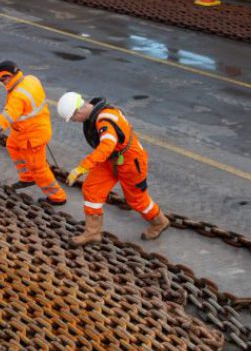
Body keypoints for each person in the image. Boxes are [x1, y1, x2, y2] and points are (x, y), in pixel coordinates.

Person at [57, 92, 170, 244]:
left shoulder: (105, 121)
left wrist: (82, 168)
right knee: (92, 189)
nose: (74, 121)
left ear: (79, 111)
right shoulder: (95, 115)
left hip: (130, 163)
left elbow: (106, 147)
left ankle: (159, 222)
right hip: (111, 161)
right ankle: (92, 233)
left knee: (136, 199)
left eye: (73, 118)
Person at [0, 61, 66, 206]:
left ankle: (58, 197)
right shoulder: (31, 79)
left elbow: (7, 117)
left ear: (9, 76)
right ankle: (27, 177)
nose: (1, 82)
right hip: (26, 129)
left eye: (2, 79)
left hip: (32, 135)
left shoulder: (18, 95)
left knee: (39, 168)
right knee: (12, 145)